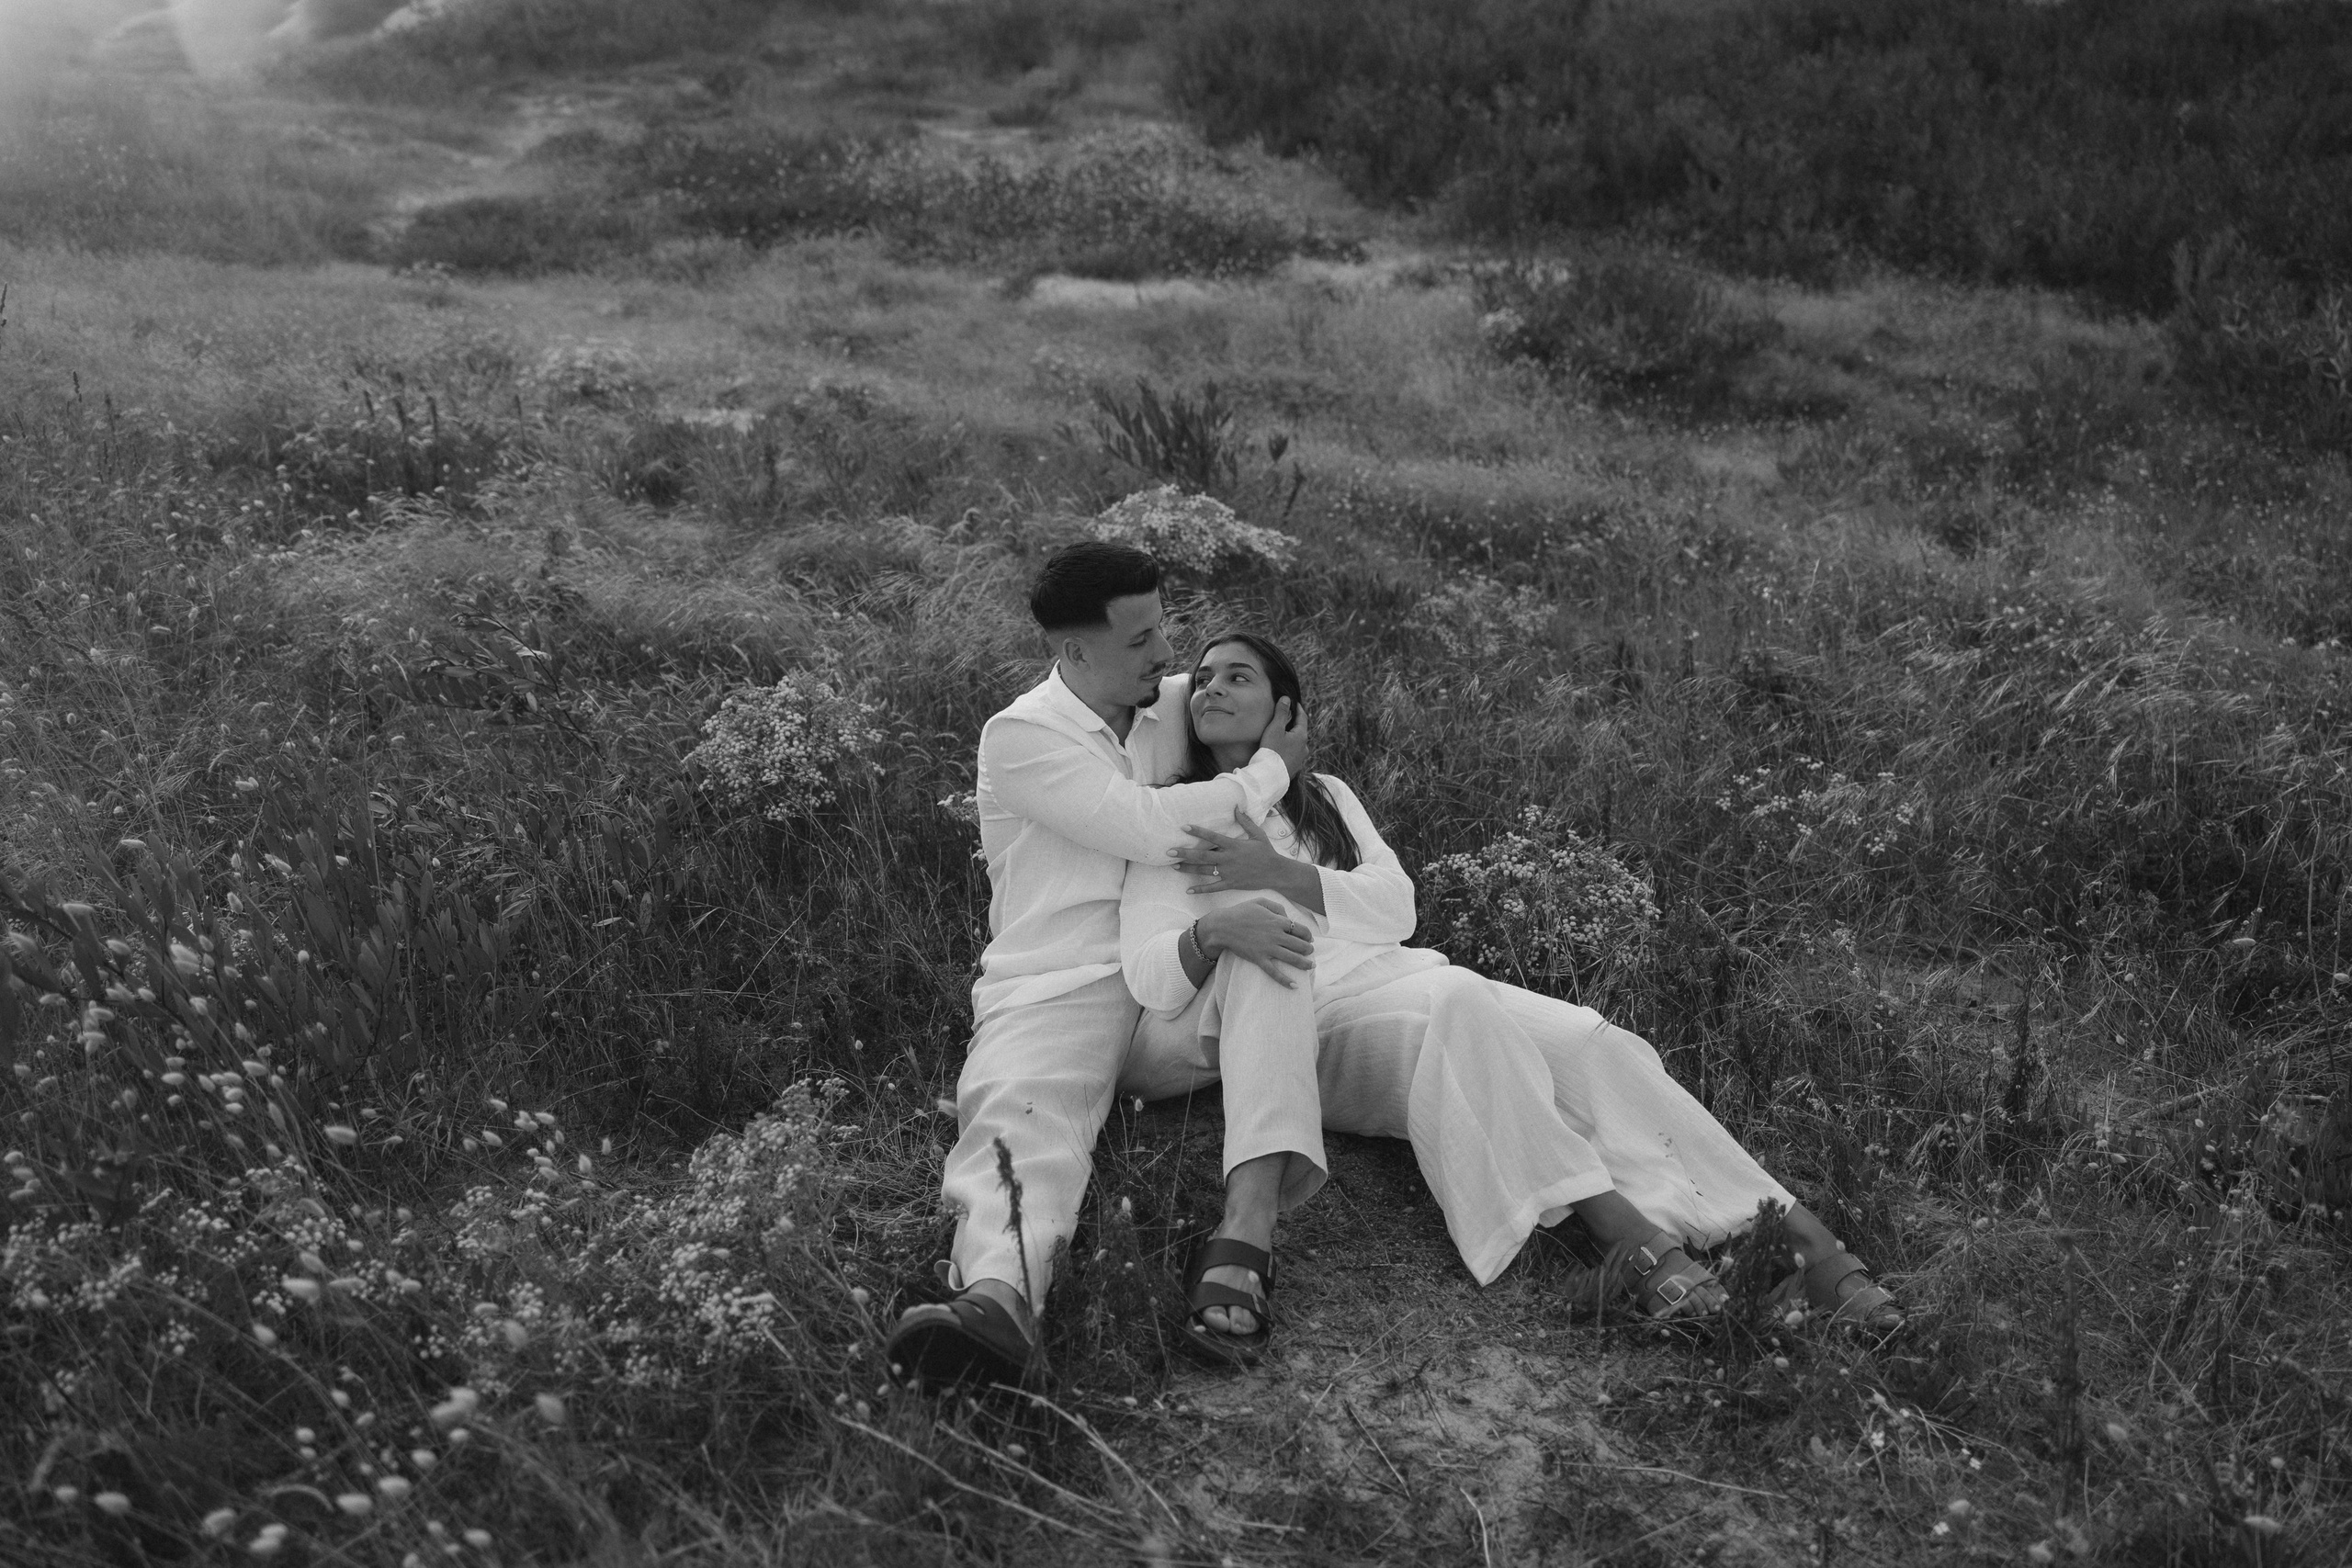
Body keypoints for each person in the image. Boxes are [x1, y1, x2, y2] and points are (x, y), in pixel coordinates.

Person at [1119, 630, 1902, 1362]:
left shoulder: (1324, 794)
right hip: (1314, 1023)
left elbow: (1397, 907)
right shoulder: (1175, 814)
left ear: (1285, 708)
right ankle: (1629, 1242)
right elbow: (1151, 976)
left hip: (1409, 977)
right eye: (1204, 678)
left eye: (1238, 675)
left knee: (1595, 1041)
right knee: (1462, 997)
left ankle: (1788, 1236)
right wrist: (1219, 932)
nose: (1211, 687)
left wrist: (1281, 872)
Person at [885, 544, 1317, 1387]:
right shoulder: (1021, 736)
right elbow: (1154, 828)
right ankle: (1000, 1301)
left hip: (1171, 995)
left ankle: (1247, 1233)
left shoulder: (1170, 704)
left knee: (1267, 943)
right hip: (1062, 982)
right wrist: (1272, 770)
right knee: (1021, 1115)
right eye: (1142, 639)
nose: (1169, 657)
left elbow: (1263, 704)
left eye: (1165, 629)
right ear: (1074, 652)